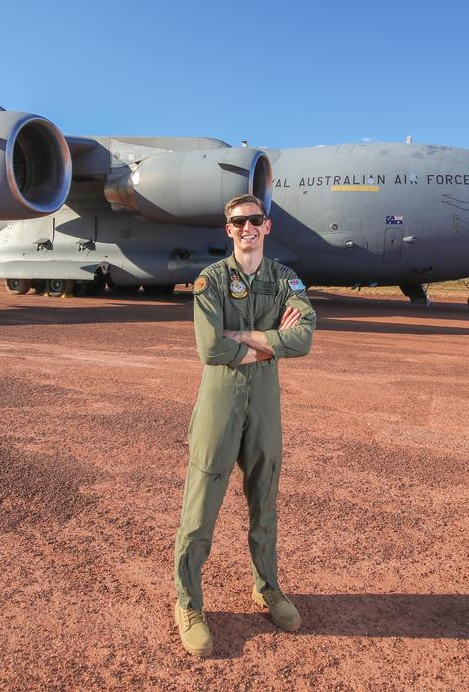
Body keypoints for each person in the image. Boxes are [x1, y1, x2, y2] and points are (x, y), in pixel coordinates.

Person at [173, 193, 316, 657]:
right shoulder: (211, 280)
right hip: (220, 403)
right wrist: (272, 342)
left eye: (254, 220)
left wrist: (247, 338)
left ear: (267, 226)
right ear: (227, 229)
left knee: (265, 499)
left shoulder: (284, 279)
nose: (247, 228)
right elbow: (210, 348)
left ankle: (267, 587)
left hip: (265, 404)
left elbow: (305, 335)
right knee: (201, 506)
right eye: (238, 222)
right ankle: (189, 602)